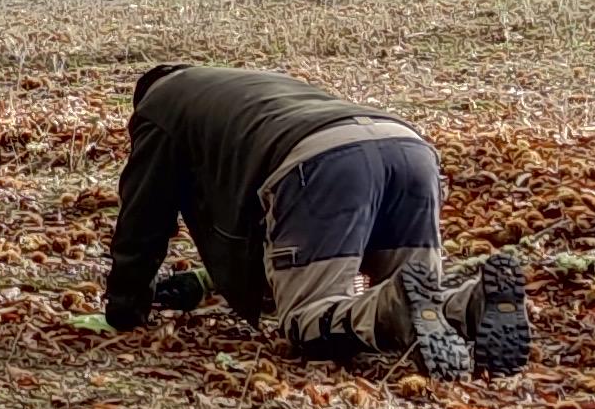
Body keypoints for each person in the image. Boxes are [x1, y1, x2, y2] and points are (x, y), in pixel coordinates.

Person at [103, 62, 531, 378]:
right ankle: (474, 304)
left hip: (324, 164)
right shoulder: (244, 89)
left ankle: (394, 306)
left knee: (308, 317)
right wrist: (204, 281)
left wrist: (126, 308)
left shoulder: (159, 106)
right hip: (407, 150)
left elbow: (144, 217)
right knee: (423, 296)